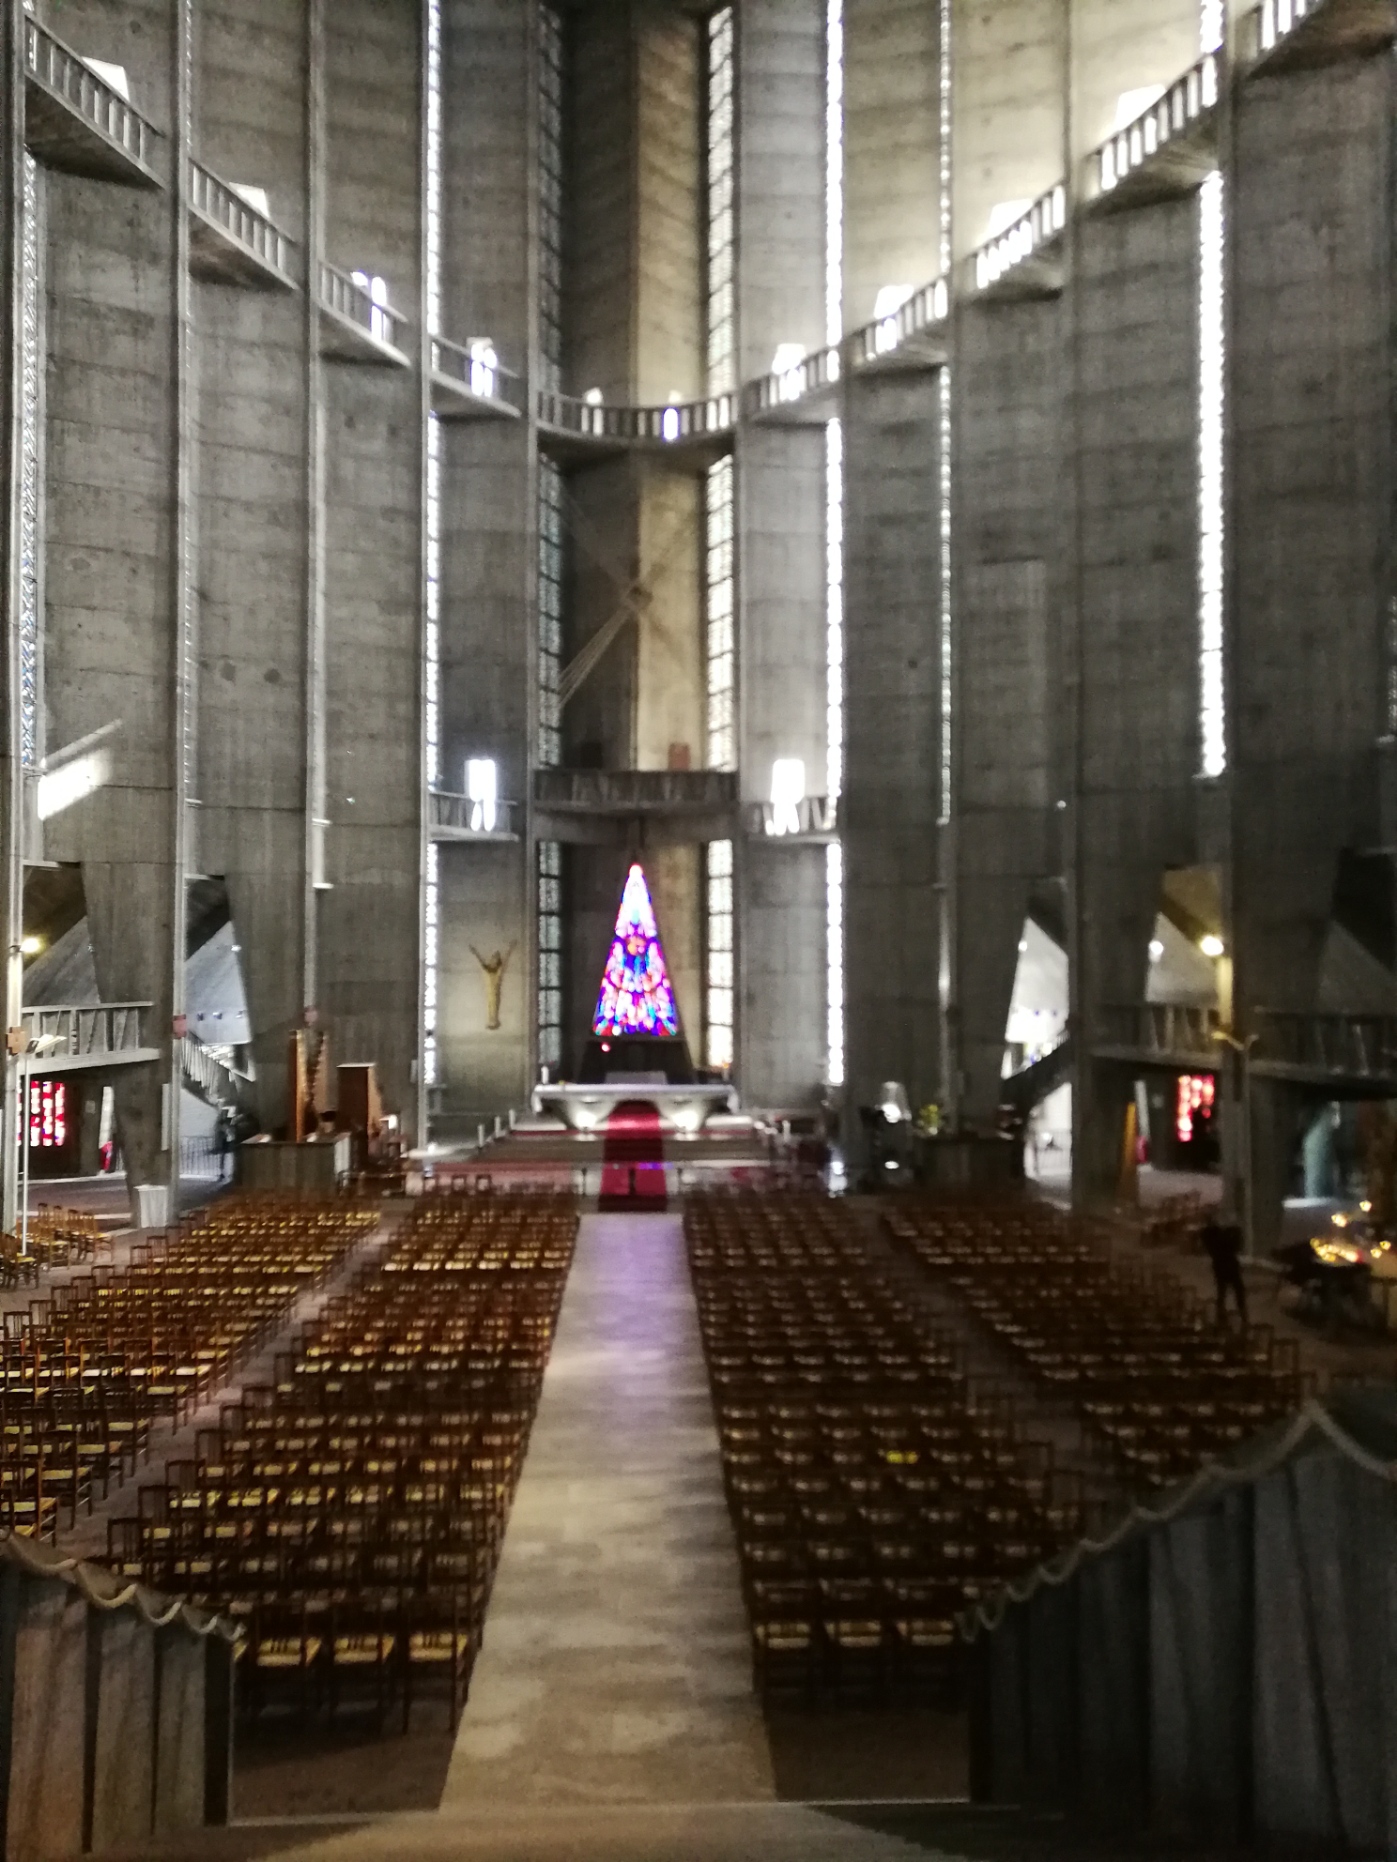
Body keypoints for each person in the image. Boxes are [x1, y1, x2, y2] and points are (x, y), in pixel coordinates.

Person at [1201, 1213, 1248, 1325]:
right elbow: (1235, 1246)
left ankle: (1222, 1314)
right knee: (1235, 1289)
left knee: (1223, 1290)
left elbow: (1235, 1246)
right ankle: (1241, 1313)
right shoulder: (1217, 1233)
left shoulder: (1209, 1233)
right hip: (1228, 1264)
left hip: (1220, 1264)